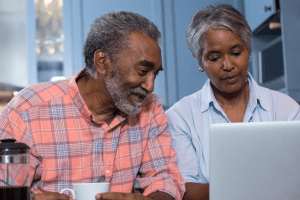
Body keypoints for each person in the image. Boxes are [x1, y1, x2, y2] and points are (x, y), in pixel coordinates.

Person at [0, 11, 185, 200]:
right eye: (143, 71)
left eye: (156, 74)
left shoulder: (150, 109)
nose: (150, 85)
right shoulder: (28, 109)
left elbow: (166, 180)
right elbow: (5, 187)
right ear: (102, 62)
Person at [166, 4, 300, 200]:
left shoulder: (286, 108)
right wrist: (258, 184)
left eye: (236, 53)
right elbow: (185, 189)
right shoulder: (180, 117)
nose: (228, 66)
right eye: (214, 57)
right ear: (200, 62)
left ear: (249, 51)